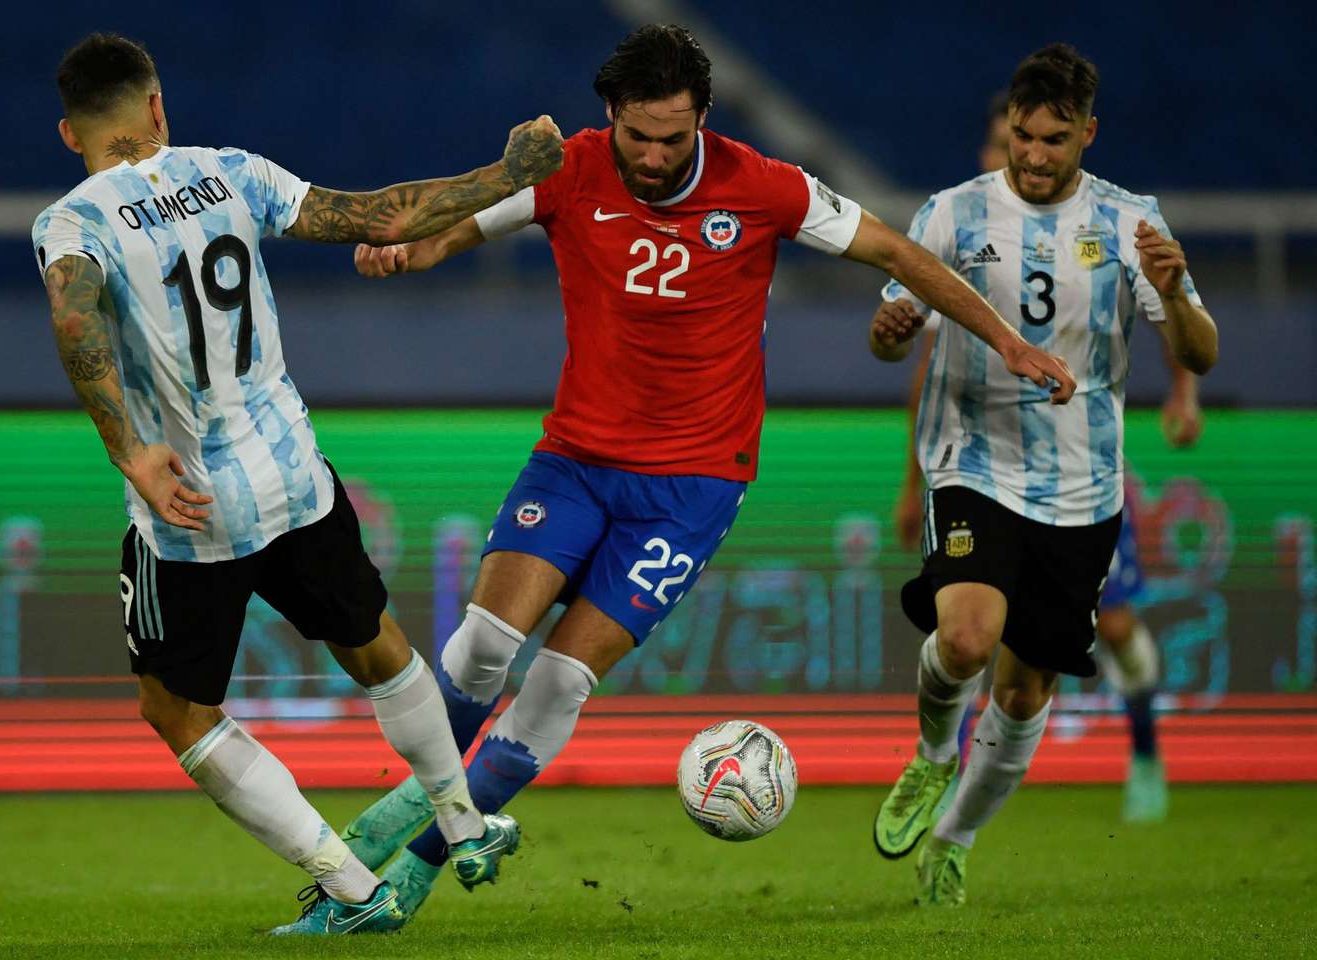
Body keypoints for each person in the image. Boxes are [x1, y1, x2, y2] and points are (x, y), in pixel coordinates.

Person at [332, 23, 1076, 921]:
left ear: (703, 119)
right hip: (575, 460)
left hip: (692, 488)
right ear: (610, 115)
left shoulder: (762, 186)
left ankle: (409, 876)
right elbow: (461, 230)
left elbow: (897, 252)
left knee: (561, 681)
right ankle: (431, 802)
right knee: (484, 646)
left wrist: (1006, 339)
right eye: (635, 136)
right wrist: (407, 252)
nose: (650, 157)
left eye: (671, 138)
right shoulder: (571, 166)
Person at [33, 33, 563, 935]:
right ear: (158, 107)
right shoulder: (230, 171)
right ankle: (463, 826)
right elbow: (384, 217)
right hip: (294, 476)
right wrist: (507, 172)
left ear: (68, 133)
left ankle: (353, 889)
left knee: (175, 706)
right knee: (377, 644)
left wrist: (129, 448)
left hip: (192, 508)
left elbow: (73, 312)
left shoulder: (73, 220)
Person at [868, 43, 1218, 906]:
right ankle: (933, 756)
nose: (1031, 156)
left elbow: (1200, 354)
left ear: (1088, 134)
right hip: (973, 464)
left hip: (1082, 490)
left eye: (1053, 140)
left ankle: (955, 840)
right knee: (965, 640)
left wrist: (1174, 296)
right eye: (1021, 137)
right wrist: (891, 332)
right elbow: (889, 334)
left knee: (1024, 695)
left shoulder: (1133, 224)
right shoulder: (950, 215)